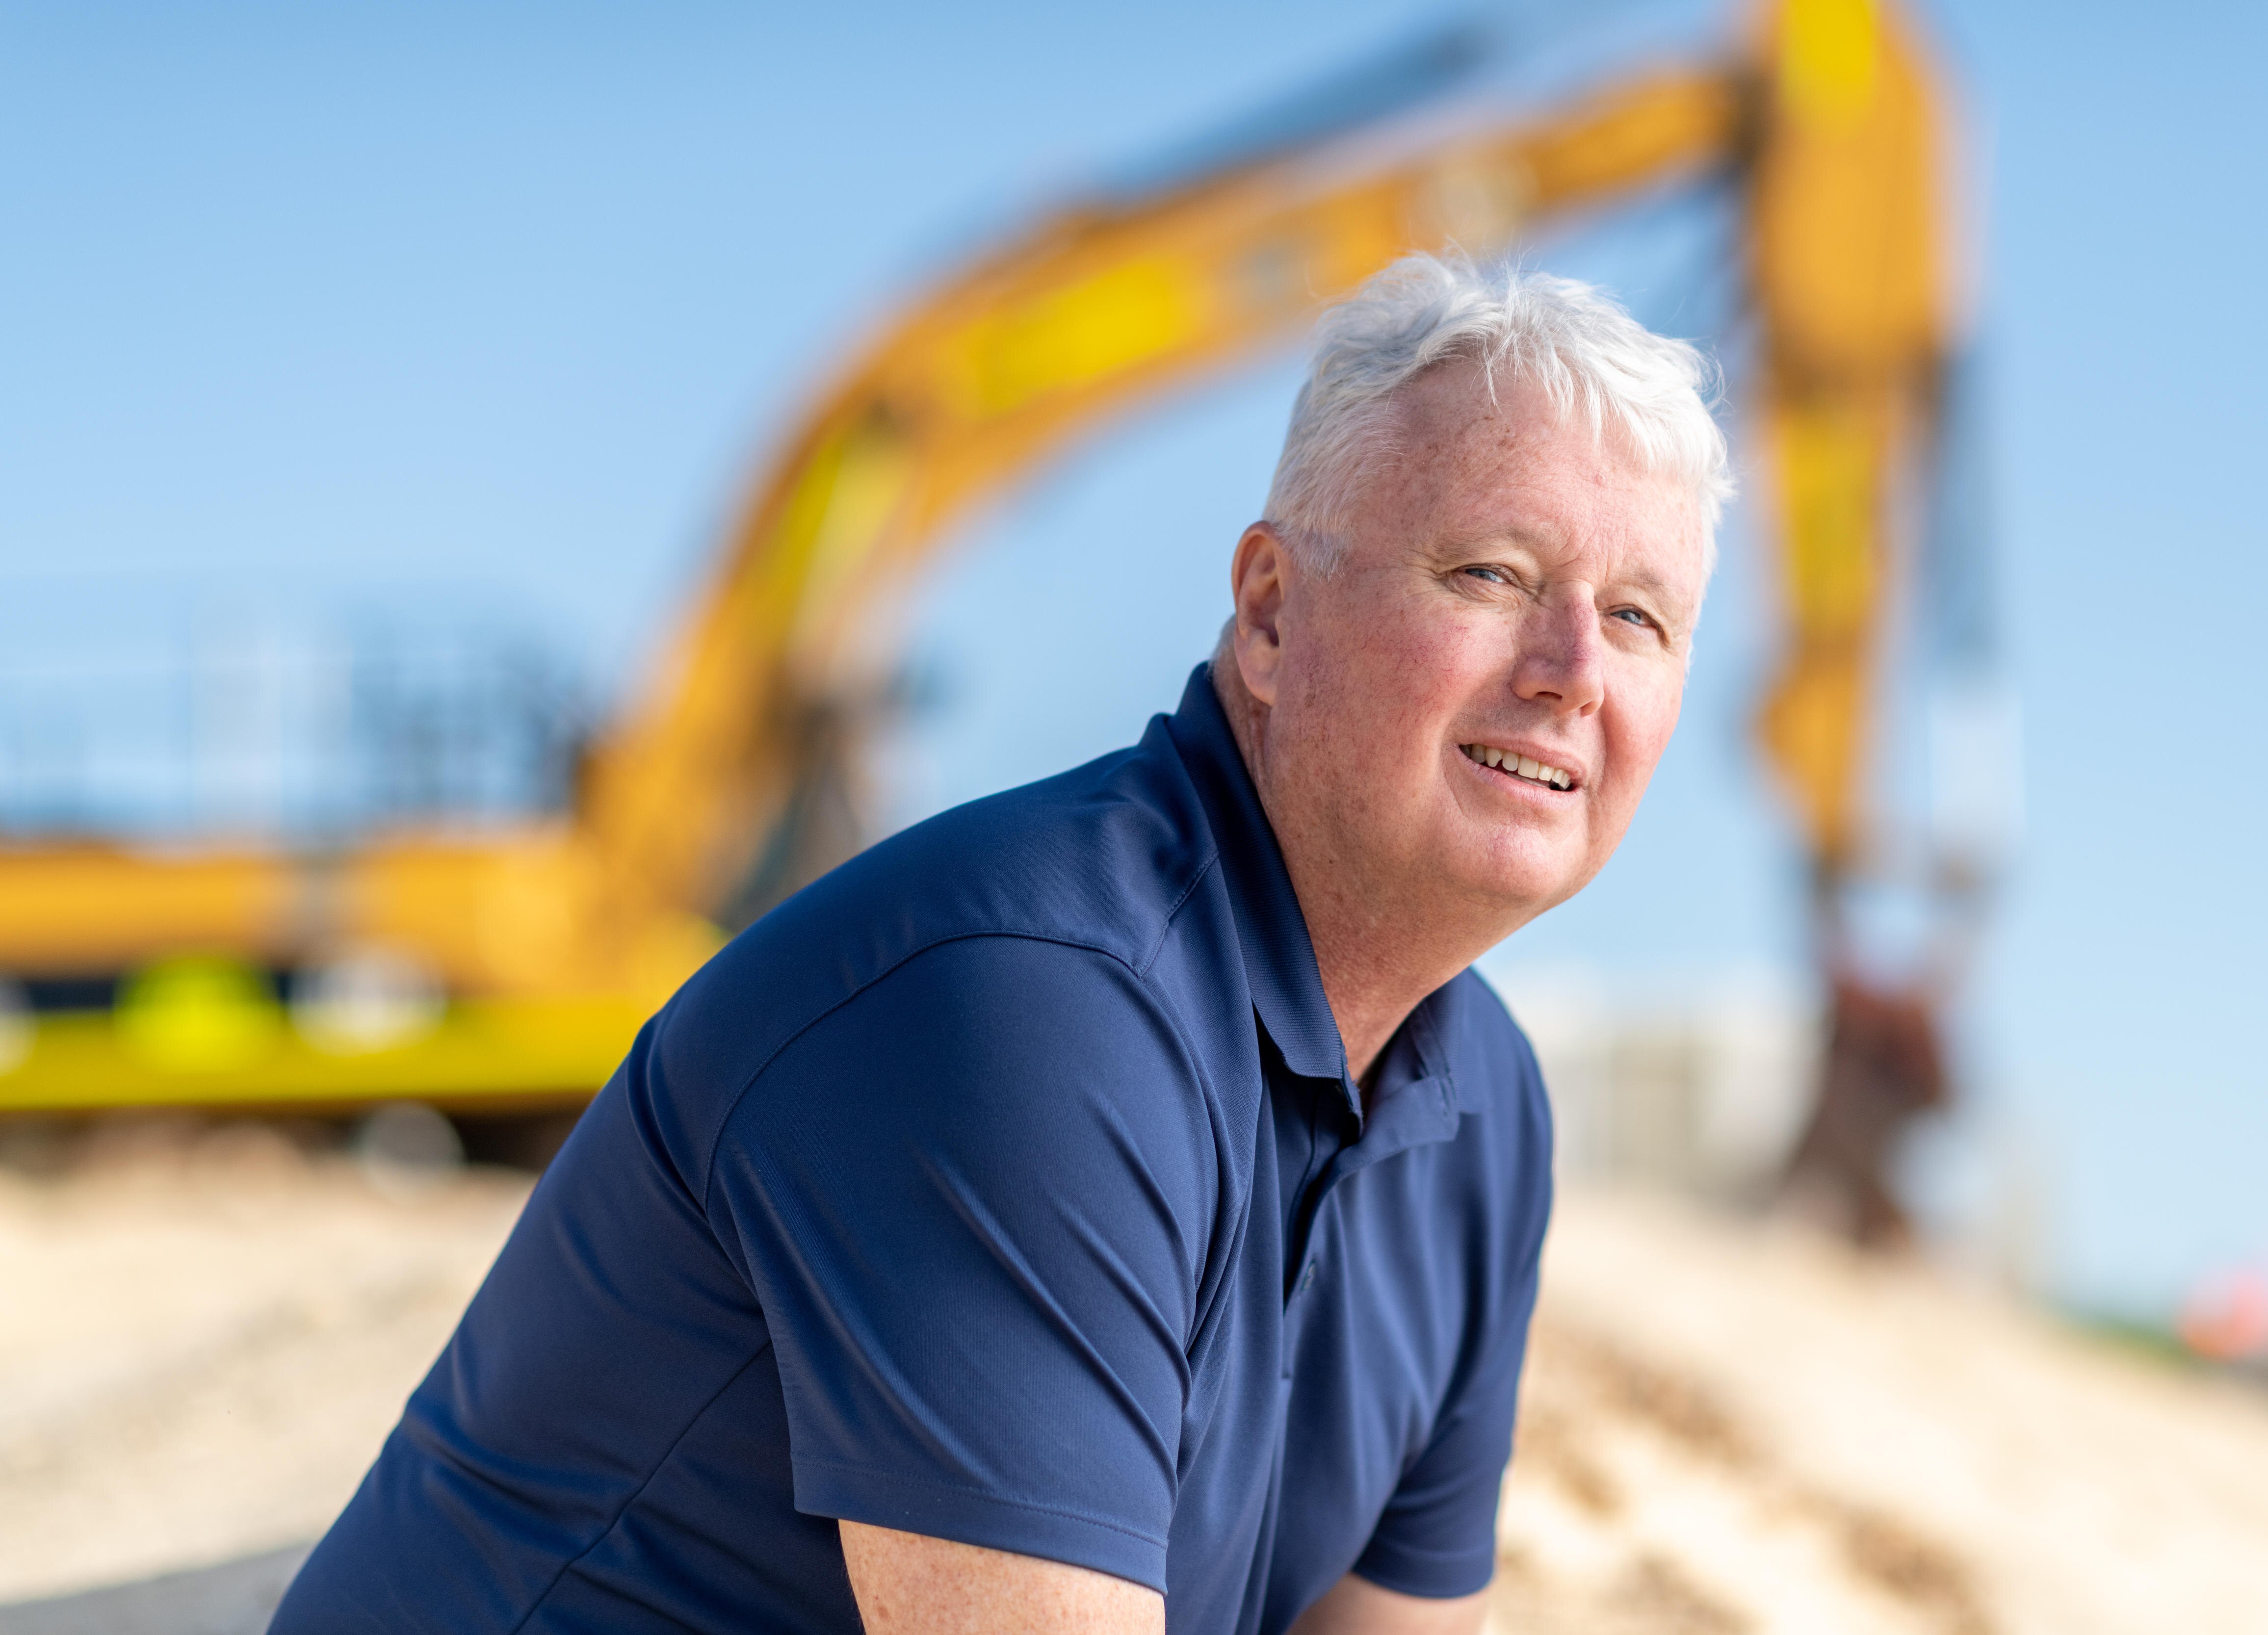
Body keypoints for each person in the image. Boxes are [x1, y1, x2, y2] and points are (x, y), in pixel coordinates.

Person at [271, 252, 1728, 1635]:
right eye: (1489, 574)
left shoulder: (1483, 1112)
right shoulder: (1033, 1009)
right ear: (1273, 617)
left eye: (1641, 619)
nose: (1571, 674)